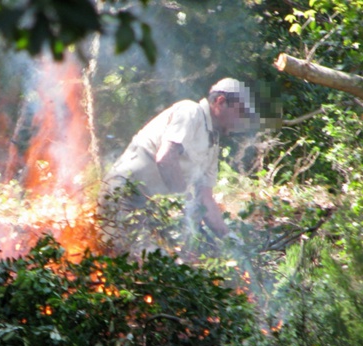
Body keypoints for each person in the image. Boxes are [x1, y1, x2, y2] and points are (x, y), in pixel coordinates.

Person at [98, 78, 257, 255]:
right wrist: (185, 204)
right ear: (221, 102)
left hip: (149, 208)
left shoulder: (212, 144)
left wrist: (229, 238)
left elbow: (205, 198)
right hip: (125, 195)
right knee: (148, 261)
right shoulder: (191, 111)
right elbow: (166, 158)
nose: (242, 121)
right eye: (240, 112)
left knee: (176, 261)